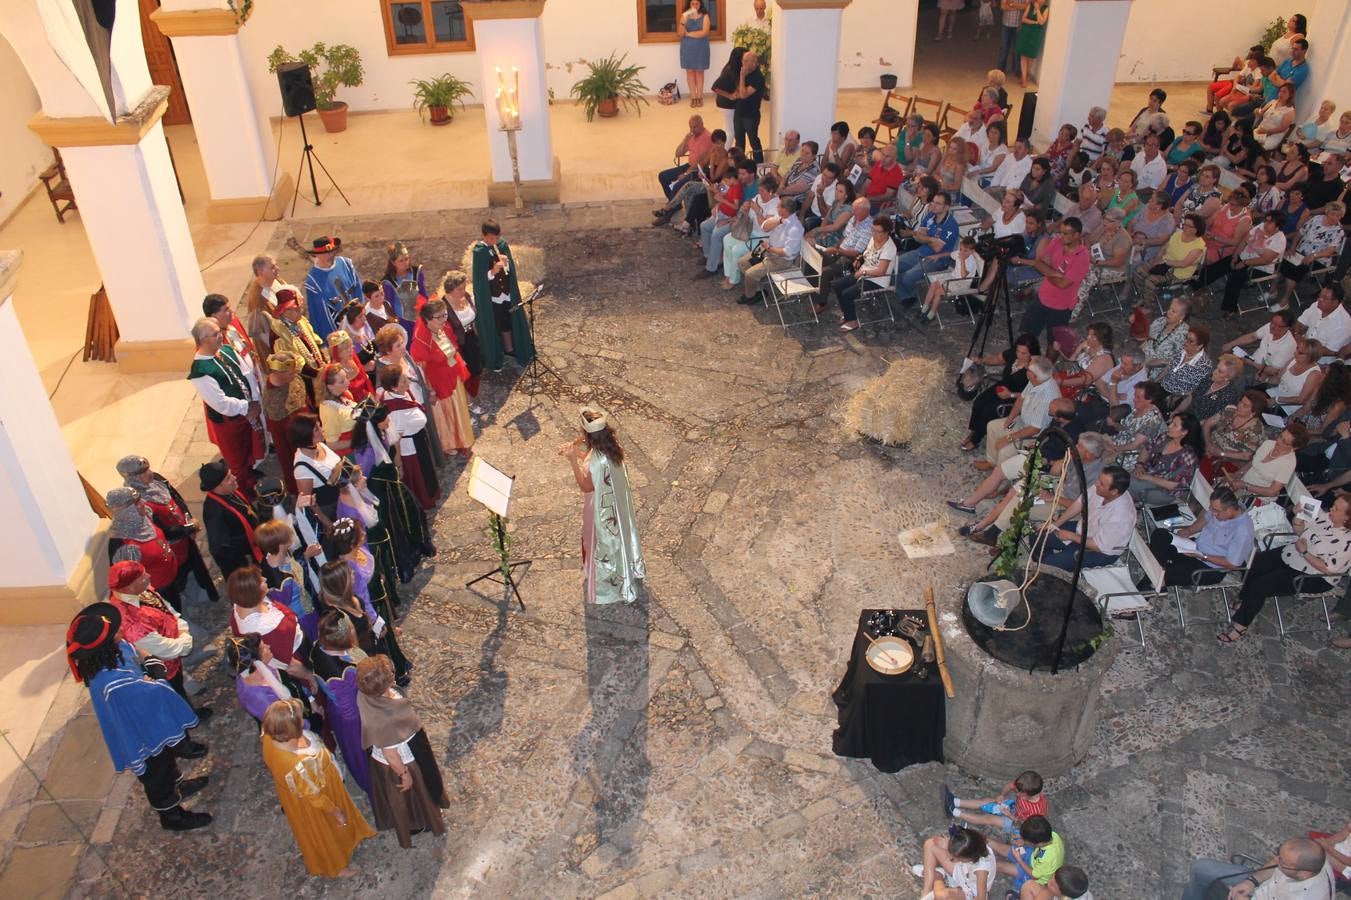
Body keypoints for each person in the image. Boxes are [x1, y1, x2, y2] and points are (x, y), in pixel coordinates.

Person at [65, 602, 211, 831]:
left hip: (145, 723)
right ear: (105, 645)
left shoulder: (110, 653)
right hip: (141, 734)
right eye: (116, 631)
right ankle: (171, 816)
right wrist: (155, 675)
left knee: (166, 761)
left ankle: (177, 787)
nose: (121, 630)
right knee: (157, 774)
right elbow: (152, 694)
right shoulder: (113, 682)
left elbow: (136, 652)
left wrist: (148, 664)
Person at [261, 697, 375, 878]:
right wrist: (335, 810)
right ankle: (337, 866)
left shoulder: (270, 735)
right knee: (326, 831)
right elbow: (314, 796)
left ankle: (349, 838)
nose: (303, 719)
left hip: (313, 787)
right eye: (300, 718)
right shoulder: (295, 764)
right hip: (316, 799)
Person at [1220, 492, 1351, 643]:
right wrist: (1298, 517)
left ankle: (1241, 626)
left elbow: (1329, 569)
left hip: (1315, 575)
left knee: (1261, 585)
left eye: (1336, 509)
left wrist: (1305, 553)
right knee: (1255, 563)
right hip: (1295, 554)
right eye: (1333, 505)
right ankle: (1245, 599)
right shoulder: (1326, 517)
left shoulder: (1347, 542)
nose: (1331, 509)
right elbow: (1300, 532)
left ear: (1347, 518)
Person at [355, 655, 448, 848]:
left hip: (389, 754)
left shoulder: (365, 695)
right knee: (412, 795)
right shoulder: (388, 718)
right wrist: (404, 775)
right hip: (402, 761)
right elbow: (390, 754)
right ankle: (418, 822)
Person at [559, 406, 645, 605]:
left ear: (588, 435)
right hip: (617, 504)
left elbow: (585, 485)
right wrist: (578, 451)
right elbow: (594, 466)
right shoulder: (612, 447)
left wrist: (572, 460)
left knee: (597, 539)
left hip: (599, 506)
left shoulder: (595, 461)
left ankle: (606, 580)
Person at [105, 560, 209, 718]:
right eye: (142, 577)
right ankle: (186, 718)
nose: (148, 576)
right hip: (163, 667)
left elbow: (167, 608)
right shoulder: (130, 622)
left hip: (174, 649)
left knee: (179, 688)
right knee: (174, 694)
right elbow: (165, 650)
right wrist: (185, 639)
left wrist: (180, 627)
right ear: (129, 587)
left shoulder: (140, 590)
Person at [116, 454, 217, 603]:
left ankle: (204, 591)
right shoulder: (137, 504)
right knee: (182, 574)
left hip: (186, 536)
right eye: (142, 473)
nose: (149, 473)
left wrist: (189, 520)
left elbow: (177, 499)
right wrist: (188, 529)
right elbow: (161, 531)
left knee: (196, 566)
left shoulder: (157, 480)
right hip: (173, 548)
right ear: (132, 478)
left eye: (148, 469)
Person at [188, 316, 263, 499]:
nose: (221, 336)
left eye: (219, 332)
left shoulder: (226, 350)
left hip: (246, 412)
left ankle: (250, 476)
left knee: (248, 448)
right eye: (215, 334)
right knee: (236, 460)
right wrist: (247, 407)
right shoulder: (201, 371)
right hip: (229, 422)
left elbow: (247, 374)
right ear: (203, 340)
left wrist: (255, 400)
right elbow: (220, 403)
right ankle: (243, 493)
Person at [1145, 484, 1254, 590]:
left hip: (1209, 568)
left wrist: (1203, 556)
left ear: (1229, 510)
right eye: (1211, 508)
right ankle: (1160, 569)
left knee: (1161, 575)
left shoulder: (1243, 531)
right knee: (1160, 535)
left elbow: (1233, 564)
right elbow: (1205, 519)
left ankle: (1157, 577)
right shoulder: (1220, 508)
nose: (1212, 512)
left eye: (1215, 511)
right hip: (1194, 547)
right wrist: (1189, 530)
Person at [1031, 466, 1136, 569]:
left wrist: (1071, 536)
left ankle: (1049, 567)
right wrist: (1055, 524)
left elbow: (1098, 546)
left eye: (1101, 484)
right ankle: (1045, 562)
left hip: (1099, 552)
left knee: (1047, 566)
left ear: (1114, 491)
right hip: (1083, 529)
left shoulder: (1122, 516)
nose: (1096, 484)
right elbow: (1079, 504)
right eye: (1099, 480)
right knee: (1037, 535)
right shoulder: (1099, 488)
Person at [1015, 217, 1091, 350]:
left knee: (1055, 344)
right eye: (1061, 232)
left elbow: (1063, 284)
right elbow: (1040, 262)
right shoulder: (1057, 241)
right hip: (1042, 297)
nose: (1061, 236)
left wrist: (1047, 270)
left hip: (1061, 307)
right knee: (1026, 334)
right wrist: (1056, 274)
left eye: (1066, 234)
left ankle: (1048, 362)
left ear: (1077, 235)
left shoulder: (1082, 257)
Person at [410, 299, 475, 456]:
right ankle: (449, 443)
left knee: (459, 411)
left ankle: (463, 440)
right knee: (447, 417)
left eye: (444, 315)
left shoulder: (443, 329)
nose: (443, 319)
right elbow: (421, 372)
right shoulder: (421, 342)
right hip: (439, 385)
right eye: (438, 317)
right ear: (427, 319)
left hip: (453, 378)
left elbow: (453, 350)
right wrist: (430, 391)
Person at [470, 219, 537, 371]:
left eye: (497, 237)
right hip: (492, 297)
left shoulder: (502, 245)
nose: (494, 241)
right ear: (484, 235)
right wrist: (493, 271)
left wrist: (507, 263)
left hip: (506, 294)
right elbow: (479, 278)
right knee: (496, 323)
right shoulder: (479, 252)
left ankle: (510, 348)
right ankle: (497, 354)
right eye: (491, 238)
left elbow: (511, 269)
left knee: (508, 321)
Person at [1181, 836, 1333, 900]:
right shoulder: (1314, 858)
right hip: (1260, 886)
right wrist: (1252, 881)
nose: (1276, 860)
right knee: (1200, 868)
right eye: (1279, 855)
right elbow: (1274, 865)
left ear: (1304, 873)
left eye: (1283, 862)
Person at [106, 487, 184, 612]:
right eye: (137, 502)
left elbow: (164, 533)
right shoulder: (123, 544)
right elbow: (128, 583)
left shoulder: (143, 516)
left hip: (170, 579)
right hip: (158, 593)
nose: (143, 502)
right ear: (125, 510)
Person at [961, 333, 1041, 451]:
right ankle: (975, 430)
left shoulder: (1035, 367)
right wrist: (982, 360)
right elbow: (998, 359)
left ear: (1032, 353)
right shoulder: (1013, 354)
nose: (1019, 355)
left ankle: (976, 439)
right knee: (979, 402)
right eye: (1018, 351)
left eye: (1023, 353)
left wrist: (1010, 394)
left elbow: (1034, 394)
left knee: (988, 410)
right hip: (1003, 386)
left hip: (1017, 397)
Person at [376, 364, 440, 511]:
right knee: (419, 477)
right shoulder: (395, 411)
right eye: (404, 381)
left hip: (418, 440)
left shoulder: (400, 393)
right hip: (411, 449)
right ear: (394, 387)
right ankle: (424, 502)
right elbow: (396, 438)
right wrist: (399, 462)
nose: (408, 382)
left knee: (426, 472)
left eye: (406, 378)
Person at [980, 357, 1059, 469]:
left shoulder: (1047, 398)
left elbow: (1034, 429)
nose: (1026, 368)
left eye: (1028, 369)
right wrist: (1010, 419)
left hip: (1032, 436)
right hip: (1022, 421)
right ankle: (991, 462)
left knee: (1005, 451)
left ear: (1034, 375)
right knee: (993, 426)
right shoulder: (1036, 381)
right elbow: (1021, 399)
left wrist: (1008, 438)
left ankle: (999, 476)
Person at [829, 215, 897, 331]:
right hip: (864, 274)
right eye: (873, 230)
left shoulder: (889, 248)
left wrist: (862, 273)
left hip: (877, 280)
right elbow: (867, 254)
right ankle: (847, 313)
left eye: (878, 232)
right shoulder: (873, 239)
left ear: (886, 233)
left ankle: (852, 321)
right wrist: (859, 259)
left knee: (847, 294)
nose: (874, 234)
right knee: (837, 285)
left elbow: (881, 271)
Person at [1274, 201, 1346, 310]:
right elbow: (1300, 233)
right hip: (1300, 252)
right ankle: (1272, 291)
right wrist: (1292, 247)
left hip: (1319, 259)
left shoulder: (1338, 231)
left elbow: (1330, 251)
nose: (1335, 218)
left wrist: (1314, 255)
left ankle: (1285, 301)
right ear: (1327, 212)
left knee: (1294, 270)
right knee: (1281, 262)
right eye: (1333, 214)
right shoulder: (1316, 219)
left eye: (1338, 216)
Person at [896, 191, 961, 307]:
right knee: (894, 265)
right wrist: (932, 239)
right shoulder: (931, 215)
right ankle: (906, 295)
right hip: (921, 251)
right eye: (933, 202)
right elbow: (918, 237)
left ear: (946, 207)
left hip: (937, 260)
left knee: (907, 277)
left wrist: (926, 238)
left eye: (938, 204)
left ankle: (908, 295)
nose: (933, 206)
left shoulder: (951, 225)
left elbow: (937, 248)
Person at [199, 459, 262, 579]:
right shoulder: (215, 512)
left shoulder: (230, 492)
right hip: (245, 562)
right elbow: (219, 549)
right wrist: (245, 566)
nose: (234, 478)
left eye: (231, 474)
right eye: (228, 478)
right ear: (217, 487)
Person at [1218, 211, 1288, 317]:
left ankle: (1230, 308)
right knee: (1220, 265)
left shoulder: (1279, 240)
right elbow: (1244, 241)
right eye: (1266, 220)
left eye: (1270, 222)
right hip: (1245, 257)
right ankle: (1196, 284)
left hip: (1260, 267)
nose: (1265, 223)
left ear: (1278, 226)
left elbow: (1266, 260)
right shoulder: (1260, 227)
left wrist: (1244, 263)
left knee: (1235, 277)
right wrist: (1235, 256)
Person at [262, 351, 312, 495]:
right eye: (290, 373)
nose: (295, 375)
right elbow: (285, 445)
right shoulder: (274, 401)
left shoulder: (291, 379)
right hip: (295, 437)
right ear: (278, 373)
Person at [738, 197, 805, 304]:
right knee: (742, 262)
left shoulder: (795, 228)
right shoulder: (780, 217)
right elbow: (764, 227)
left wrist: (769, 248)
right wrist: (778, 221)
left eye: (778, 206)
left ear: (785, 210)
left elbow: (786, 252)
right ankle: (758, 290)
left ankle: (750, 296)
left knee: (750, 274)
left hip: (781, 261)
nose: (776, 208)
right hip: (767, 250)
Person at [269, 286, 329, 404]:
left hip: (319, 372)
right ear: (285, 311)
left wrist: (323, 361)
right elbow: (293, 364)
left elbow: (314, 342)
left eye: (300, 308)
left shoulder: (300, 321)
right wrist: (317, 373)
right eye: (296, 309)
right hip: (304, 380)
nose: (301, 312)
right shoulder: (278, 335)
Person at [1129, 413, 1203, 506]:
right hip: (1146, 476)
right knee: (1121, 480)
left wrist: (1147, 477)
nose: (1169, 426)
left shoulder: (1187, 457)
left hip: (1163, 491)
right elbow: (1147, 449)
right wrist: (1140, 465)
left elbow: (1172, 485)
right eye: (1171, 422)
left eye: (1175, 425)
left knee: (1125, 482)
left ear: (1184, 432)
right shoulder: (1165, 437)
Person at [944, 771, 1048, 834]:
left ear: (1031, 794)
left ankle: (954, 812)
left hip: (1018, 824)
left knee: (988, 819)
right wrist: (1002, 795)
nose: (1017, 794)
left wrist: (1009, 815)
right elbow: (1009, 786)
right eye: (1017, 791)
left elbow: (1025, 826)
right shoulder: (1024, 786)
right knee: (986, 801)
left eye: (1021, 794)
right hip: (1014, 808)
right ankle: (955, 801)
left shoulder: (1037, 811)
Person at [1072, 207, 1129, 320]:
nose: (1105, 222)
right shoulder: (1103, 228)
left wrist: (1097, 261)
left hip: (1113, 268)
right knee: (1075, 266)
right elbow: (1089, 240)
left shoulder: (1123, 238)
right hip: (1095, 261)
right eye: (1104, 218)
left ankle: (1073, 312)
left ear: (1118, 222)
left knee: (1086, 279)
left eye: (1109, 220)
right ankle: (1065, 297)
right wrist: (1087, 250)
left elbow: (1118, 262)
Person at [302, 236, 361, 343]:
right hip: (338, 332)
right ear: (316, 255)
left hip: (358, 323)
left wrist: (360, 318)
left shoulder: (346, 264)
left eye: (331, 252)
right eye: (324, 253)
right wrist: (333, 340)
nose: (329, 255)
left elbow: (358, 290)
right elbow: (319, 315)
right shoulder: (313, 282)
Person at [987, 815, 1065, 896]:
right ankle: (984, 841)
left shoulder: (1048, 858)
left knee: (999, 866)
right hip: (1034, 858)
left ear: (1039, 843)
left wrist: (1019, 860)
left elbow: (1035, 876)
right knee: (1006, 850)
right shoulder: (1053, 835)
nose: (1025, 841)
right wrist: (1024, 842)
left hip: (1035, 876)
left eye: (1027, 840)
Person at [914, 825, 997, 899]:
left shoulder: (981, 871)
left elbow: (981, 898)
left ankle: (938, 877)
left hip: (970, 890)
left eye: (956, 858)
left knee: (941, 896)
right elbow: (937, 842)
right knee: (930, 844)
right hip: (961, 870)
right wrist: (946, 844)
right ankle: (927, 890)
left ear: (968, 857)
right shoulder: (967, 842)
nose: (950, 858)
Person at [1202, 390, 1271, 479]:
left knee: (1203, 470)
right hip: (1210, 448)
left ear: (1253, 412)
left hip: (1229, 461)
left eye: (1245, 405)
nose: (1239, 405)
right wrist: (1208, 444)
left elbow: (1246, 455)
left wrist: (1221, 453)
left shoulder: (1256, 431)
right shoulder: (1230, 410)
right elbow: (1208, 423)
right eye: (1241, 401)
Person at [1226, 423, 1306, 499]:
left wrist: (1245, 486)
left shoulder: (1289, 463)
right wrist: (1238, 474)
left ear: (1294, 448)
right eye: (1280, 436)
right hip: (1243, 483)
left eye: (1284, 442)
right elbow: (1252, 463)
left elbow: (1272, 491)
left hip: (1258, 496)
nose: (1278, 441)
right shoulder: (1268, 443)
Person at [655, 114, 715, 212]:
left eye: (695, 127)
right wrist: (685, 139)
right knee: (663, 176)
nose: (692, 130)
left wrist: (686, 174)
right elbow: (678, 153)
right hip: (689, 166)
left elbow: (701, 162)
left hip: (698, 170)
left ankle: (668, 211)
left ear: (702, 124)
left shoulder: (707, 138)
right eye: (690, 127)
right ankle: (675, 205)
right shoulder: (692, 136)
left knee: (677, 185)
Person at [919, 235, 983, 323]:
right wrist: (937, 256)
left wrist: (962, 261)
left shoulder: (971, 261)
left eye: (965, 251)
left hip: (962, 283)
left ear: (972, 251)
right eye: (961, 249)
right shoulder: (959, 253)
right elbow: (949, 254)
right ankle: (924, 309)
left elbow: (963, 275)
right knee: (934, 284)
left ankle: (931, 314)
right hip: (953, 277)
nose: (962, 252)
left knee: (938, 291)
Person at [1223, 310, 1297, 385]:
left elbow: (1273, 371)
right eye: (1272, 322)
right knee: (1225, 365)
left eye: (1278, 325)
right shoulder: (1270, 326)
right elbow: (1253, 336)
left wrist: (1251, 363)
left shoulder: (1288, 345)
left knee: (1235, 380)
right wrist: (1231, 344)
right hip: (1253, 360)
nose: (1272, 326)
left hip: (1262, 372)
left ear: (1287, 328)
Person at [1158, 324, 1215, 399]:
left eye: (1191, 341)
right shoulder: (1181, 350)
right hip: (1162, 387)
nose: (1185, 342)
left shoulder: (1204, 365)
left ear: (1200, 346)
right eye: (1186, 338)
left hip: (1177, 397)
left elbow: (1195, 390)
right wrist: (1156, 381)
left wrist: (1174, 398)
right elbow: (1168, 367)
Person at [733, 50, 766, 163]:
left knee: (753, 141)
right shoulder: (745, 72)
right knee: (739, 141)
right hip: (739, 112)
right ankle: (739, 164)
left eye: (747, 61)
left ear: (754, 62)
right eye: (743, 61)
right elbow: (738, 90)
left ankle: (759, 164)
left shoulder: (758, 77)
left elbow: (743, 94)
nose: (744, 64)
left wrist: (742, 76)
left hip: (751, 115)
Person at [244, 253, 281, 356]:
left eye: (276, 265)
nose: (277, 269)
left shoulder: (275, 280)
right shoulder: (257, 301)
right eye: (272, 267)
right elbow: (261, 337)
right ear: (261, 272)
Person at [1299, 285, 1351, 355]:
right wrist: (1297, 334)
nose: (1319, 300)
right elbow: (1301, 322)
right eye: (1319, 296)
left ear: (1336, 302)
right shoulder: (1316, 305)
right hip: (1303, 344)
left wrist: (1304, 348)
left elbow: (1330, 351)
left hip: (1319, 356)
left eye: (1325, 298)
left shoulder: (1343, 325)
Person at [380, 241, 426, 319]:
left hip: (420, 318)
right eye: (401, 261)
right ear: (393, 262)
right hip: (401, 320)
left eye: (407, 259)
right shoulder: (388, 281)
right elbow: (389, 305)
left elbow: (423, 295)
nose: (406, 263)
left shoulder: (417, 273)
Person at [677, 0, 710, 106]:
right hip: (687, 48)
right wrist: (683, 21)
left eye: (697, 4)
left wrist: (689, 34)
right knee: (690, 72)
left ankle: (699, 97)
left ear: (700, 4)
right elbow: (680, 33)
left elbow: (704, 32)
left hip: (701, 48)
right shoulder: (684, 16)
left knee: (700, 72)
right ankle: (693, 97)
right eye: (693, 4)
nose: (695, 6)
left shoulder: (705, 16)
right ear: (689, 4)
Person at [1014, 0, 1048, 88]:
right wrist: (1034, 22)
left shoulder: (1045, 9)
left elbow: (1041, 22)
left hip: (1035, 35)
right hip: (1025, 33)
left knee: (1031, 57)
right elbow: (1023, 19)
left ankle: (1026, 76)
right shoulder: (1030, 5)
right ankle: (1024, 78)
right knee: (1023, 56)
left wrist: (1037, 9)